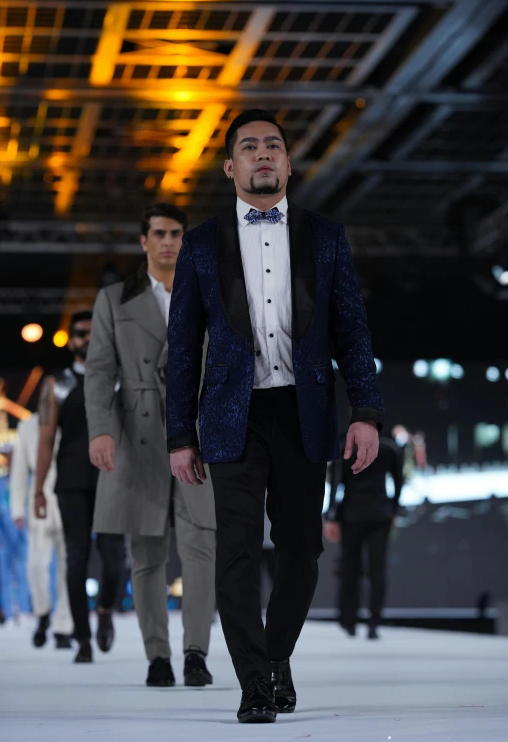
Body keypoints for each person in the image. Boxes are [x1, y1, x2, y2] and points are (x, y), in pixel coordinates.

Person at [166, 109, 384, 723]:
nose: (262, 155)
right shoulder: (202, 243)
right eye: (249, 147)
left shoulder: (325, 237)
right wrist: (179, 435)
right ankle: (253, 685)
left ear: (289, 164)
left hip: (303, 409)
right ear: (230, 165)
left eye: (273, 146)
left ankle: (275, 657)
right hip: (231, 415)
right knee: (235, 550)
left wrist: (365, 410)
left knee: (301, 552)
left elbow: (353, 331)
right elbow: (182, 346)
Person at [85, 203, 216, 688]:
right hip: (137, 433)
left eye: (176, 233)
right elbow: (99, 371)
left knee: (202, 544)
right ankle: (157, 656)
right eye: (159, 233)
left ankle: (196, 652)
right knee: (148, 552)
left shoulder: (206, 295)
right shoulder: (113, 301)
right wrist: (101, 429)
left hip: (196, 432)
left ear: (185, 239)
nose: (168, 242)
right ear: (144, 241)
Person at [34, 311, 125, 664]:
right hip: (71, 481)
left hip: (114, 477)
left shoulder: (119, 379)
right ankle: (82, 638)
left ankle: (104, 610)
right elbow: (45, 441)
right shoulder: (55, 384)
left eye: (92, 332)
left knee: (115, 559)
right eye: (79, 333)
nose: (85, 339)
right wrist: (38, 489)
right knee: (76, 560)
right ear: (70, 339)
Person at [324, 434, 404, 640]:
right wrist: (394, 510)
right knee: (377, 569)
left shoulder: (346, 447)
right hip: (380, 513)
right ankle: (374, 622)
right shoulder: (389, 447)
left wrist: (331, 515)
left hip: (352, 513)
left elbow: (336, 483)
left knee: (351, 567)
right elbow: (398, 481)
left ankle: (349, 621)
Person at [10, 413, 73, 649]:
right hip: (39, 504)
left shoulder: (70, 419)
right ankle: (43, 612)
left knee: (69, 569)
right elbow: (19, 470)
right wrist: (17, 510)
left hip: (69, 502)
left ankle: (64, 627)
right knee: (35, 566)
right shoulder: (26, 427)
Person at [0, 464, 31, 624]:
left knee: (24, 573)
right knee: (4, 574)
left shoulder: (29, 481)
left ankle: (25, 611)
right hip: (2, 534)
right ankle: (9, 613)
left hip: (23, 533)